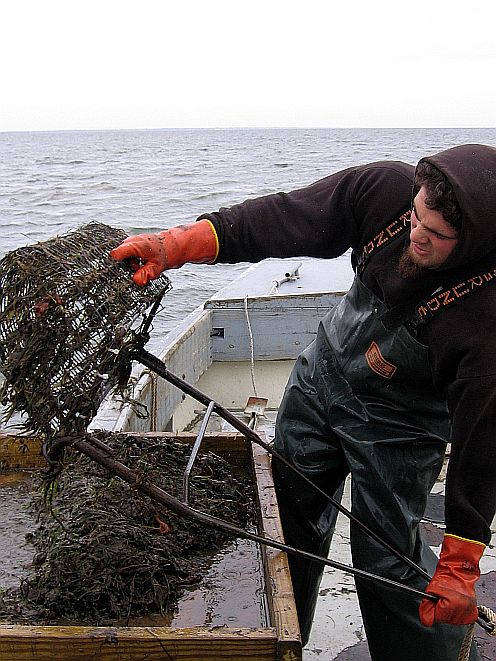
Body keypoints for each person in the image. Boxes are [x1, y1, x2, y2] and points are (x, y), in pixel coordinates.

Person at [110, 144, 496, 660]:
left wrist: (460, 563)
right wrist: (176, 245)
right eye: (416, 215)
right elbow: (285, 218)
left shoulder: (485, 318)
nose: (415, 234)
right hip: (322, 380)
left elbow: (482, 441)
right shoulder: (383, 191)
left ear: (473, 241)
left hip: (399, 427)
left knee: (388, 561)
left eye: (436, 234)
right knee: (286, 515)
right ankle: (283, 644)